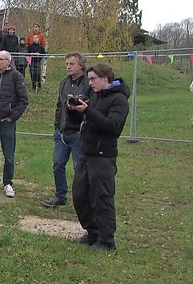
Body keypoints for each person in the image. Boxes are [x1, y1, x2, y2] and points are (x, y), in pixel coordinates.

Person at [70, 63, 129, 251]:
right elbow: (87, 120)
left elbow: (113, 127)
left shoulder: (119, 100)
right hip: (87, 152)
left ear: (106, 78)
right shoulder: (95, 95)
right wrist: (75, 108)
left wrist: (87, 111)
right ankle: (92, 232)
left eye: (94, 79)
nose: (90, 83)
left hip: (103, 156)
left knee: (102, 197)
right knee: (80, 195)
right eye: (89, 79)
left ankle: (106, 240)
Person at [42, 53, 92, 208]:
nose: (68, 67)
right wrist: (57, 124)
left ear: (81, 66)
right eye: (67, 64)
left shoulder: (88, 84)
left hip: (78, 132)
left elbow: (90, 107)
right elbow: (59, 105)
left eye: (72, 64)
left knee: (79, 168)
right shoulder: (64, 82)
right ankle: (60, 196)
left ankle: (83, 200)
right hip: (62, 131)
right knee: (57, 164)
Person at [0, 50, 29, 197]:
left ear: (8, 62)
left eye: (0, 59)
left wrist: (12, 117)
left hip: (6, 122)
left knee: (9, 156)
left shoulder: (16, 76)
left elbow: (23, 100)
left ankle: (8, 183)